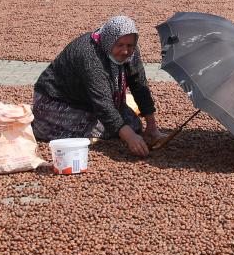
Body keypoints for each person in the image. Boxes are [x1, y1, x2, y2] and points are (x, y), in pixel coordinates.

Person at [32, 15, 163, 157]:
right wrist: (129, 137)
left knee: (134, 125)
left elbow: (139, 85)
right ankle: (41, 124)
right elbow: (103, 104)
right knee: (108, 129)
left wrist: (152, 127)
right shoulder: (90, 56)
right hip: (57, 100)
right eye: (119, 45)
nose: (125, 51)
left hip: (88, 101)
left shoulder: (131, 52)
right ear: (109, 41)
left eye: (130, 46)